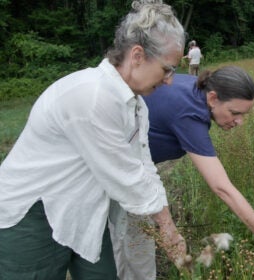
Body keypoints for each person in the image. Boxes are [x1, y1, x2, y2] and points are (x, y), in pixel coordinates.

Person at [0, 1, 187, 279]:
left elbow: (144, 166)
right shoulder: (92, 96)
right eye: (168, 69)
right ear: (137, 55)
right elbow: (127, 178)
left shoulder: (137, 106)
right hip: (34, 213)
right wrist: (168, 229)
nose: (170, 80)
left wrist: (166, 224)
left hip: (86, 211)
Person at [112, 66, 254, 279]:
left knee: (125, 241)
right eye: (235, 113)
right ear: (213, 98)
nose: (240, 122)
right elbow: (222, 187)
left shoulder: (195, 88)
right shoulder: (190, 113)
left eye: (244, 114)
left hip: (128, 166)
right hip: (113, 167)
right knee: (135, 248)